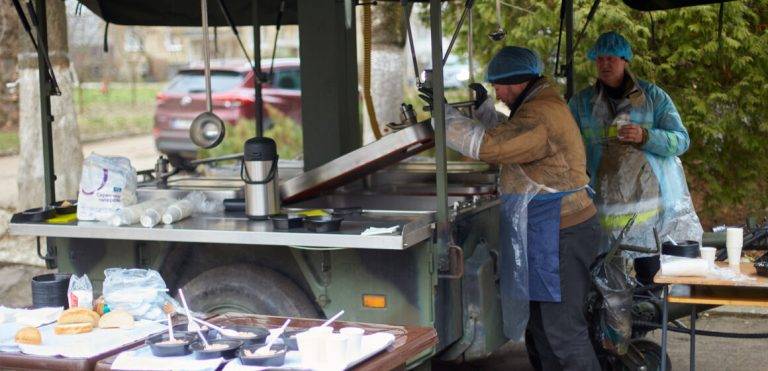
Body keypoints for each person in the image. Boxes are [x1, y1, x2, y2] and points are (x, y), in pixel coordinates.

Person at [427, 46, 601, 370]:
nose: (498, 92)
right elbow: (513, 138)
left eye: (499, 86)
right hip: (552, 231)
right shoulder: (537, 104)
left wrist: (444, 117)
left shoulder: (540, 113)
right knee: (542, 330)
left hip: (562, 234)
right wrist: (483, 111)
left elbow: (492, 146)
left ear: (518, 82)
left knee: (563, 333)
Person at [568, 31, 702, 253]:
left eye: (611, 58)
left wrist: (645, 136)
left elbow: (681, 140)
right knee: (609, 272)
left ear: (625, 60)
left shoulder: (653, 97)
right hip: (603, 206)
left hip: (650, 207)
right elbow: (566, 146)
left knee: (647, 270)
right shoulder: (581, 104)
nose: (604, 64)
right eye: (599, 59)